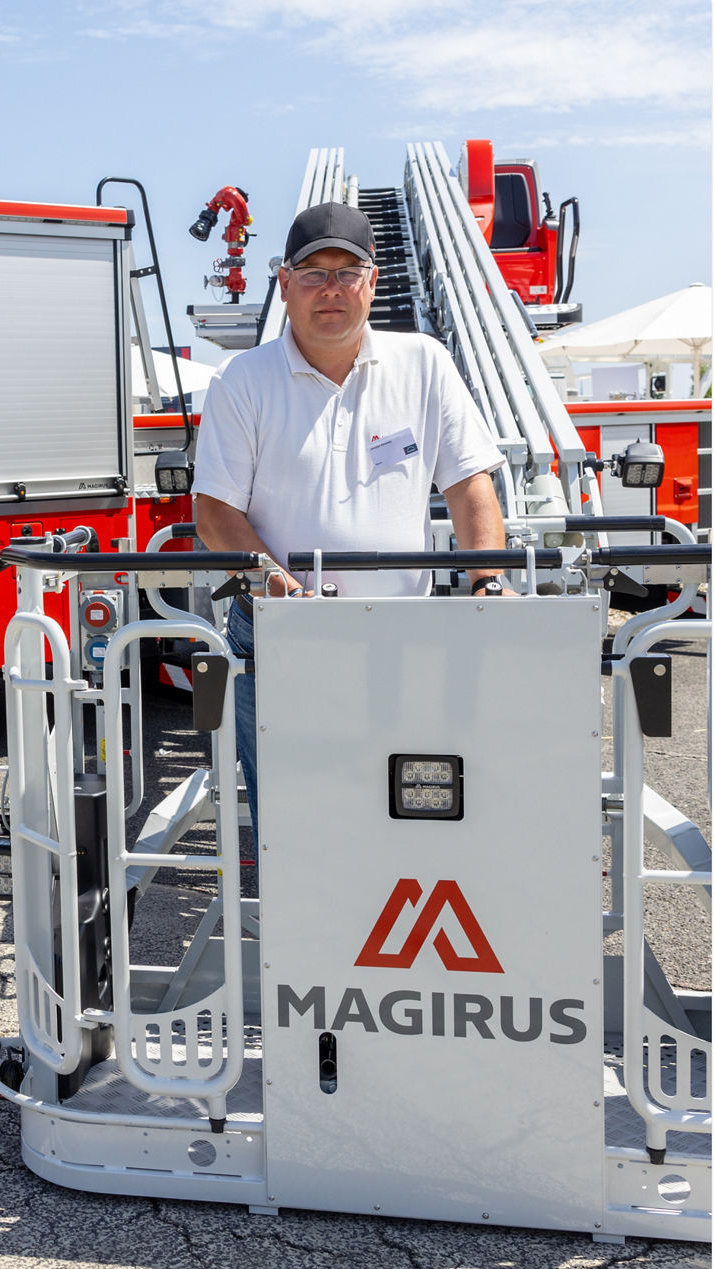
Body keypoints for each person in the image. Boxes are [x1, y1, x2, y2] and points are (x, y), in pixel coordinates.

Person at [192, 201, 511, 841]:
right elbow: (213, 509)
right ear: (284, 284)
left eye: (347, 271)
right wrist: (275, 585)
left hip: (402, 637)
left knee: (405, 805)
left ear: (374, 283)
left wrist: (486, 583)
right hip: (281, 636)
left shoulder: (423, 363)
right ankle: (291, 937)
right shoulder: (243, 380)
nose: (330, 289)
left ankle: (395, 935)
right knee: (291, 815)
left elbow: (471, 485)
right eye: (313, 273)